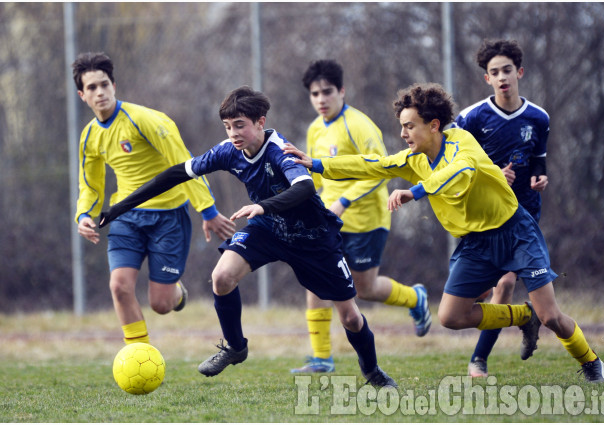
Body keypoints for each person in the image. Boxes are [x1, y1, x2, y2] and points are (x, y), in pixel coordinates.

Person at [283, 82, 604, 383]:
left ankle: (591, 362)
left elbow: (460, 172)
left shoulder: (461, 142)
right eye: (402, 126)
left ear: (434, 125)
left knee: (551, 316)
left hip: (515, 232)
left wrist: (416, 191)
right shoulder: (414, 158)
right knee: (450, 316)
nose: (403, 133)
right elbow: (373, 165)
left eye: (410, 126)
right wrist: (317, 164)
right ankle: (524, 316)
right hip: (476, 244)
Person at [98, 86, 398, 388]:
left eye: (240, 125)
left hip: (313, 237)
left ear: (260, 122)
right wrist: (119, 208)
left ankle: (372, 371)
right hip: (268, 226)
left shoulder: (280, 149)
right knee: (222, 277)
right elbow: (177, 173)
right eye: (228, 126)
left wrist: (262, 205)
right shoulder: (228, 151)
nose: (233, 133)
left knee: (350, 318)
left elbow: (305, 188)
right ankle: (235, 347)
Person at [72, 52, 235, 346]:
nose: (100, 92)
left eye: (104, 84)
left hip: (168, 218)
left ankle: (176, 292)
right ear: (82, 95)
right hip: (127, 218)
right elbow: (91, 185)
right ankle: (140, 357)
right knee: (119, 287)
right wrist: (84, 214)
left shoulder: (145, 120)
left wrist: (207, 210)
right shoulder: (89, 136)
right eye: (92, 88)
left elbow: (185, 163)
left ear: (114, 86)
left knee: (160, 304)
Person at [291, 60, 431, 374]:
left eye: (327, 92)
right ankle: (321, 358)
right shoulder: (315, 129)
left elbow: (382, 170)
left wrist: (343, 200)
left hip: (367, 221)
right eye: (314, 94)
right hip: (328, 222)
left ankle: (415, 298)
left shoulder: (360, 125)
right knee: (314, 281)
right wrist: (307, 203)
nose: (321, 99)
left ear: (341, 90)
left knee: (364, 289)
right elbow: (315, 175)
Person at [454, 39, 550, 377]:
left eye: (507, 70)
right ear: (487, 79)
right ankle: (525, 318)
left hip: (522, 214)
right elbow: (455, 166)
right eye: (494, 72)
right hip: (483, 215)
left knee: (505, 285)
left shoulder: (538, 118)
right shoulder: (471, 118)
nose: (501, 77)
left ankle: (478, 360)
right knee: (475, 294)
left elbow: (538, 160)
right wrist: (493, 175)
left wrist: (539, 177)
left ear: (519, 72)